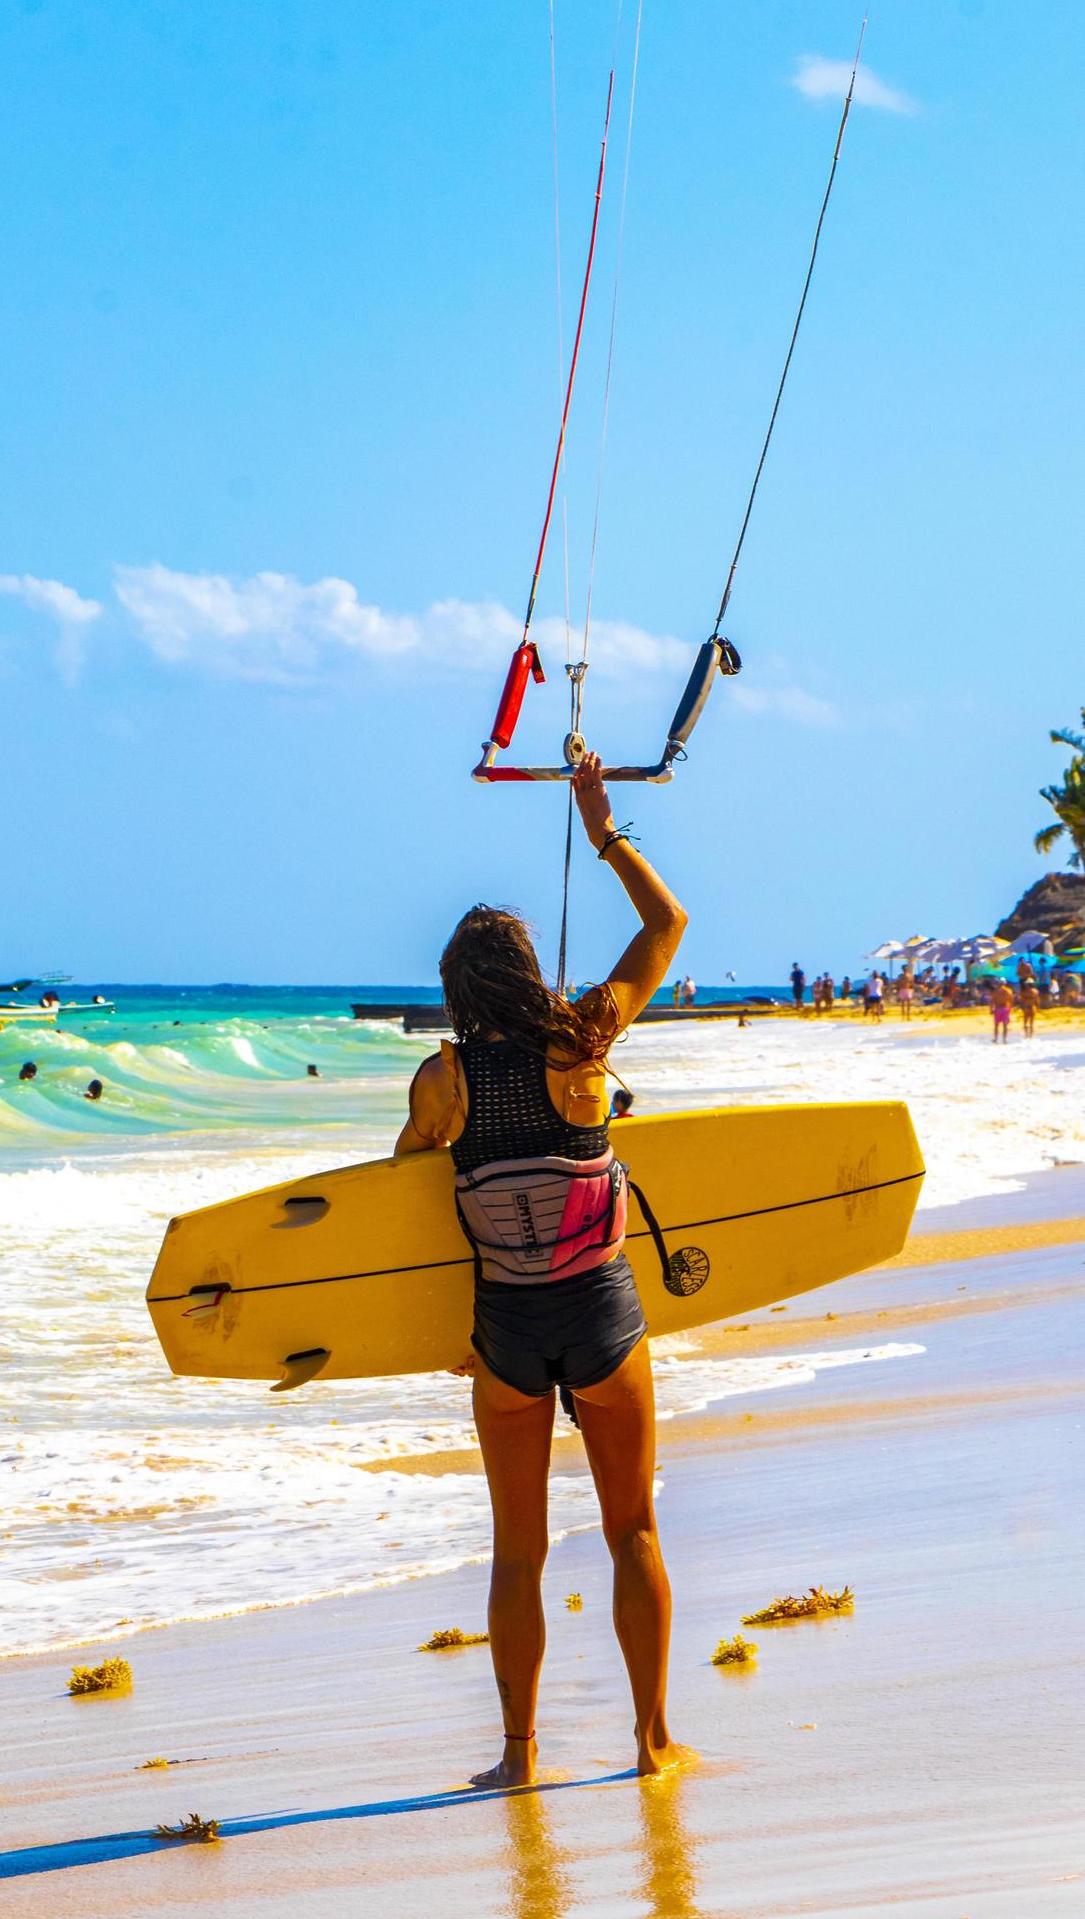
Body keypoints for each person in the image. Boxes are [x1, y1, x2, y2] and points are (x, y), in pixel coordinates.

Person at [395, 753, 689, 1786]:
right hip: (603, 1317)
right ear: (525, 972)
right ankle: (650, 1743)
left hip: (507, 1335)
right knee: (632, 1530)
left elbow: (402, 1207)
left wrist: (436, 1336)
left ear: (455, 991)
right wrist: (603, 829)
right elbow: (666, 929)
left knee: (516, 1551)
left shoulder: (442, 1080)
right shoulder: (586, 1043)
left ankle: (518, 1757)